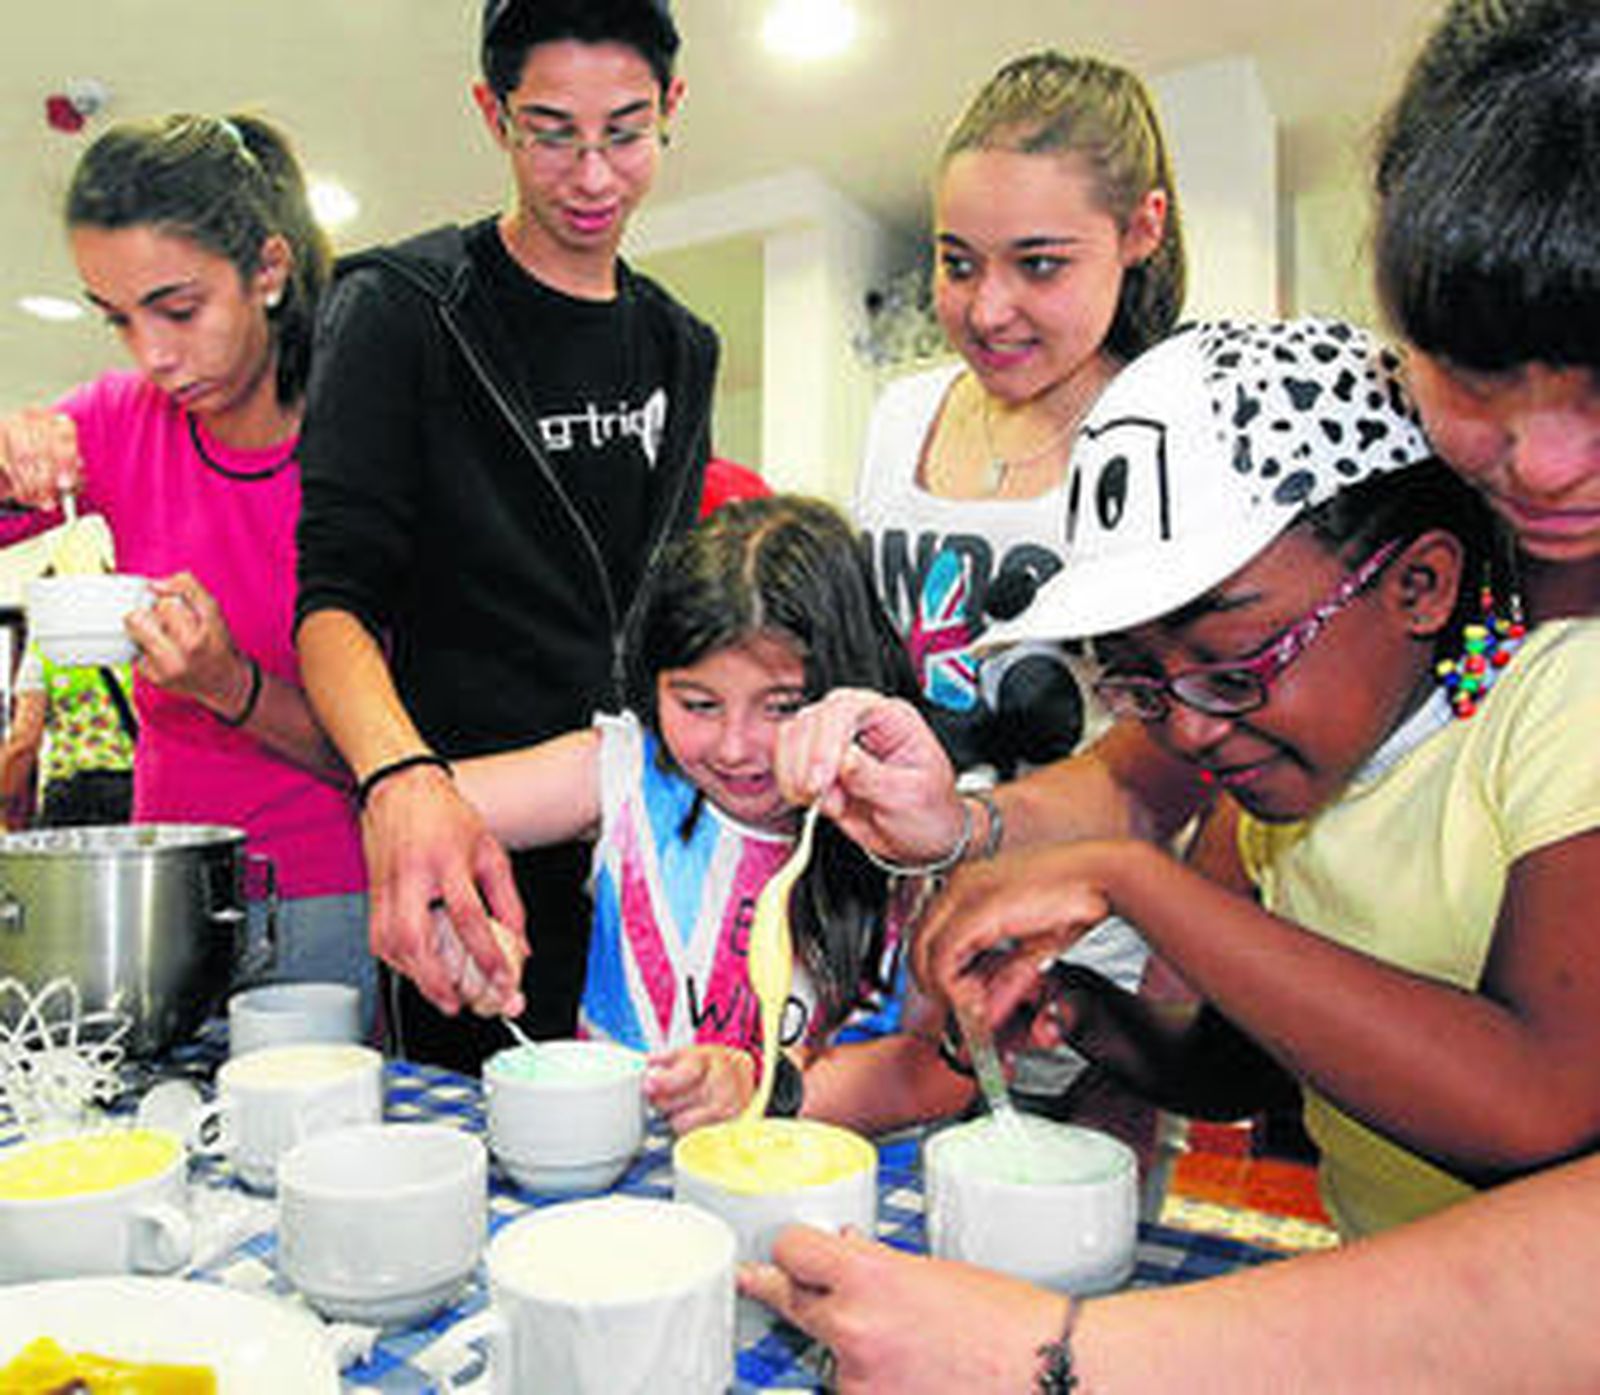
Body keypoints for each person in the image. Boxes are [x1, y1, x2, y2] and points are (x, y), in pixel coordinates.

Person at [745, 4, 1600, 1385]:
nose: (1190, 722)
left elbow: (1539, 1099)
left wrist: (1135, 884)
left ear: (1420, 584)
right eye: (1148, 677)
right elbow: (1252, 1072)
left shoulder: (1559, 707)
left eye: (1234, 657)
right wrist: (1095, 1012)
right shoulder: (1280, 785)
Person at [294, 0, 719, 1070]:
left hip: (647, 856)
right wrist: (401, 785)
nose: (590, 178)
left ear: (671, 109)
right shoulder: (405, 310)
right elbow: (333, 600)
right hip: (467, 851)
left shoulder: (681, 345)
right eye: (551, 132)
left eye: (624, 132)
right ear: (493, 115)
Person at [0, 113, 373, 1027]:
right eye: (119, 320)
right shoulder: (118, 422)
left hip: (327, 897)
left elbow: (388, 757)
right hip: (156, 896)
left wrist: (228, 685)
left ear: (269, 270)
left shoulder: (359, 441)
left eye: (178, 309)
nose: (153, 356)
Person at [450, 496, 975, 1134]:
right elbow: (420, 814)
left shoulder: (913, 824)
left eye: (782, 707)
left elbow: (945, 1070)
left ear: (849, 683)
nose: (734, 747)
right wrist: (452, 917)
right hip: (635, 1189)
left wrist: (761, 1090)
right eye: (698, 704)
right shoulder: (624, 774)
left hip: (836, 1199)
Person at [855, 50, 1183, 786]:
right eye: (959, 264)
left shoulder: (1175, 432)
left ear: (1141, 229)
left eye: (1038, 264)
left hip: (1096, 885)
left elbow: (1194, 740)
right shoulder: (902, 416)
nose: (987, 311)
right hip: (911, 881)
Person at [0, 646, 135, 829]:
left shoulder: (44, 650)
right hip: (134, 788)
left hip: (71, 796)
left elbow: (23, 743)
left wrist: (5, 802)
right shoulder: (138, 642)